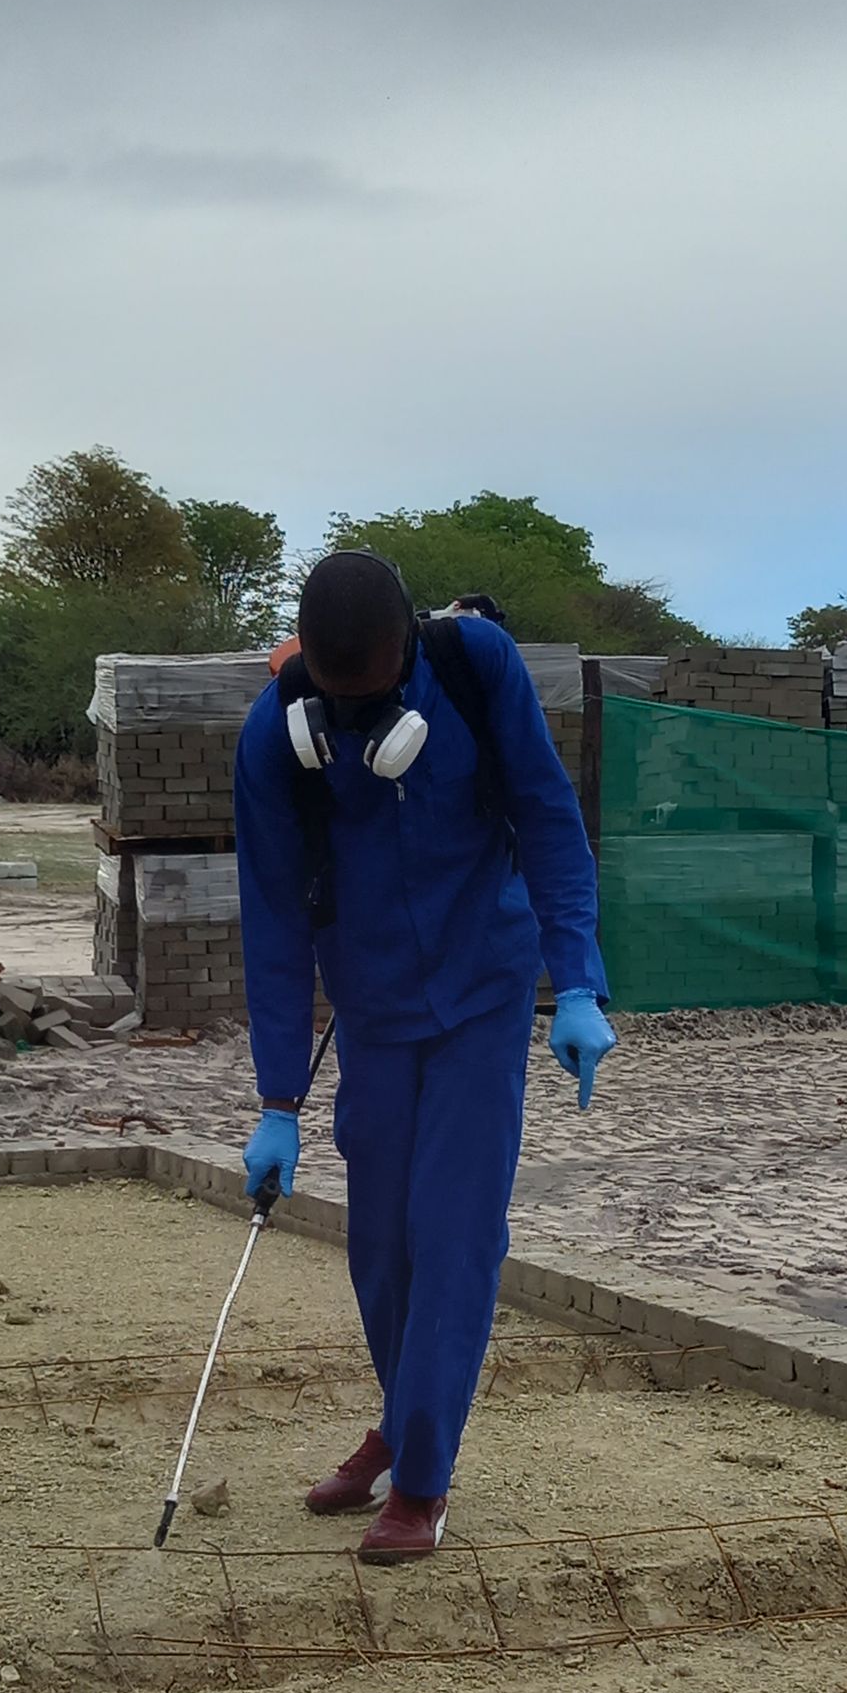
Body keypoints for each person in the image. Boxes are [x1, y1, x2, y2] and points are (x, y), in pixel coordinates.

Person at [233, 550, 615, 1563]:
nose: (357, 722)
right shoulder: (275, 735)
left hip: (483, 991)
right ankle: (404, 1422)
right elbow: (271, 923)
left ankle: (424, 1480)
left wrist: (575, 980)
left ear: (407, 646)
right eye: (336, 699)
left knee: (453, 1237)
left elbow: (548, 817)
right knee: (380, 1247)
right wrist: (276, 1098)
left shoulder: (478, 665)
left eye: (375, 699)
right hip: (373, 1010)